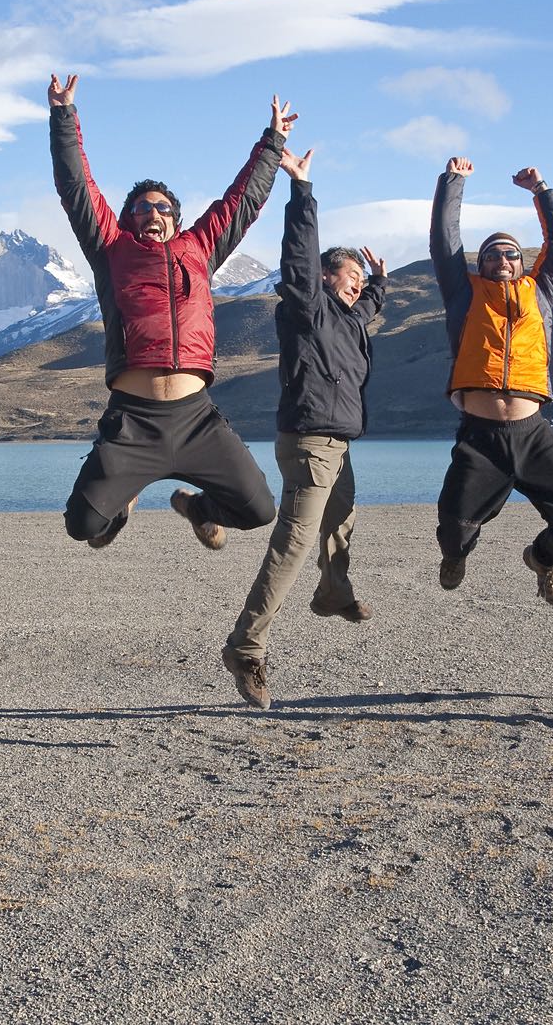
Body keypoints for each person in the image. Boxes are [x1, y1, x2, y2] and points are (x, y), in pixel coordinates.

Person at [48, 73, 288, 551]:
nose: (151, 213)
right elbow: (77, 186)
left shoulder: (199, 247)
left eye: (161, 207)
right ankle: (125, 503)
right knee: (84, 527)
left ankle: (197, 507)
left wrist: (273, 142)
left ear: (176, 218)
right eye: (140, 207)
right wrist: (63, 116)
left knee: (260, 509)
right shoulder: (111, 248)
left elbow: (242, 201)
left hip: (197, 417)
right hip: (134, 419)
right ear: (127, 218)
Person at [220, 146, 388, 709]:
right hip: (311, 440)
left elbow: (368, 309)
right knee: (293, 543)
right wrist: (303, 191)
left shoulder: (348, 316)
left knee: (342, 519)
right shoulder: (307, 306)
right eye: (351, 274)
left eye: (361, 278)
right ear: (323, 276)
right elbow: (299, 255)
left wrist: (380, 284)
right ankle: (246, 646)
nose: (357, 284)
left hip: (338, 442)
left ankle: (333, 592)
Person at [429, 156, 553, 607]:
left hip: (533, 432)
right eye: (493, 254)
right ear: (482, 264)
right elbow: (444, 240)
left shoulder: (539, 293)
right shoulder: (465, 294)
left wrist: (542, 190)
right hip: (481, 437)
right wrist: (453, 182)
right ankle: (457, 553)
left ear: (522, 262)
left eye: (511, 254)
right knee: (453, 528)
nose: (503, 259)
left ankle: (543, 559)